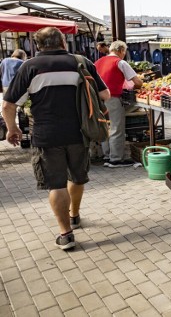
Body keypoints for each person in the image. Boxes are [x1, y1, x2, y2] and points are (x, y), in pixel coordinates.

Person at [2, 27, 110, 250]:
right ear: (63, 41)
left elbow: (9, 104)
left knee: (56, 184)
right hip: (79, 133)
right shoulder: (81, 62)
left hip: (46, 135)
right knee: (78, 176)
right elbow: (104, 94)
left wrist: (12, 128)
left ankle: (66, 234)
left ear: (37, 45)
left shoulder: (29, 66)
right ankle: (74, 215)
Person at [95, 41, 143, 168]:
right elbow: (137, 82)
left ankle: (107, 155)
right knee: (117, 127)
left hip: (97, 99)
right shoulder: (120, 62)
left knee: (105, 127)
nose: (124, 54)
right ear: (121, 50)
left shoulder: (98, 62)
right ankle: (116, 159)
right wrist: (136, 86)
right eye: (124, 52)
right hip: (112, 97)